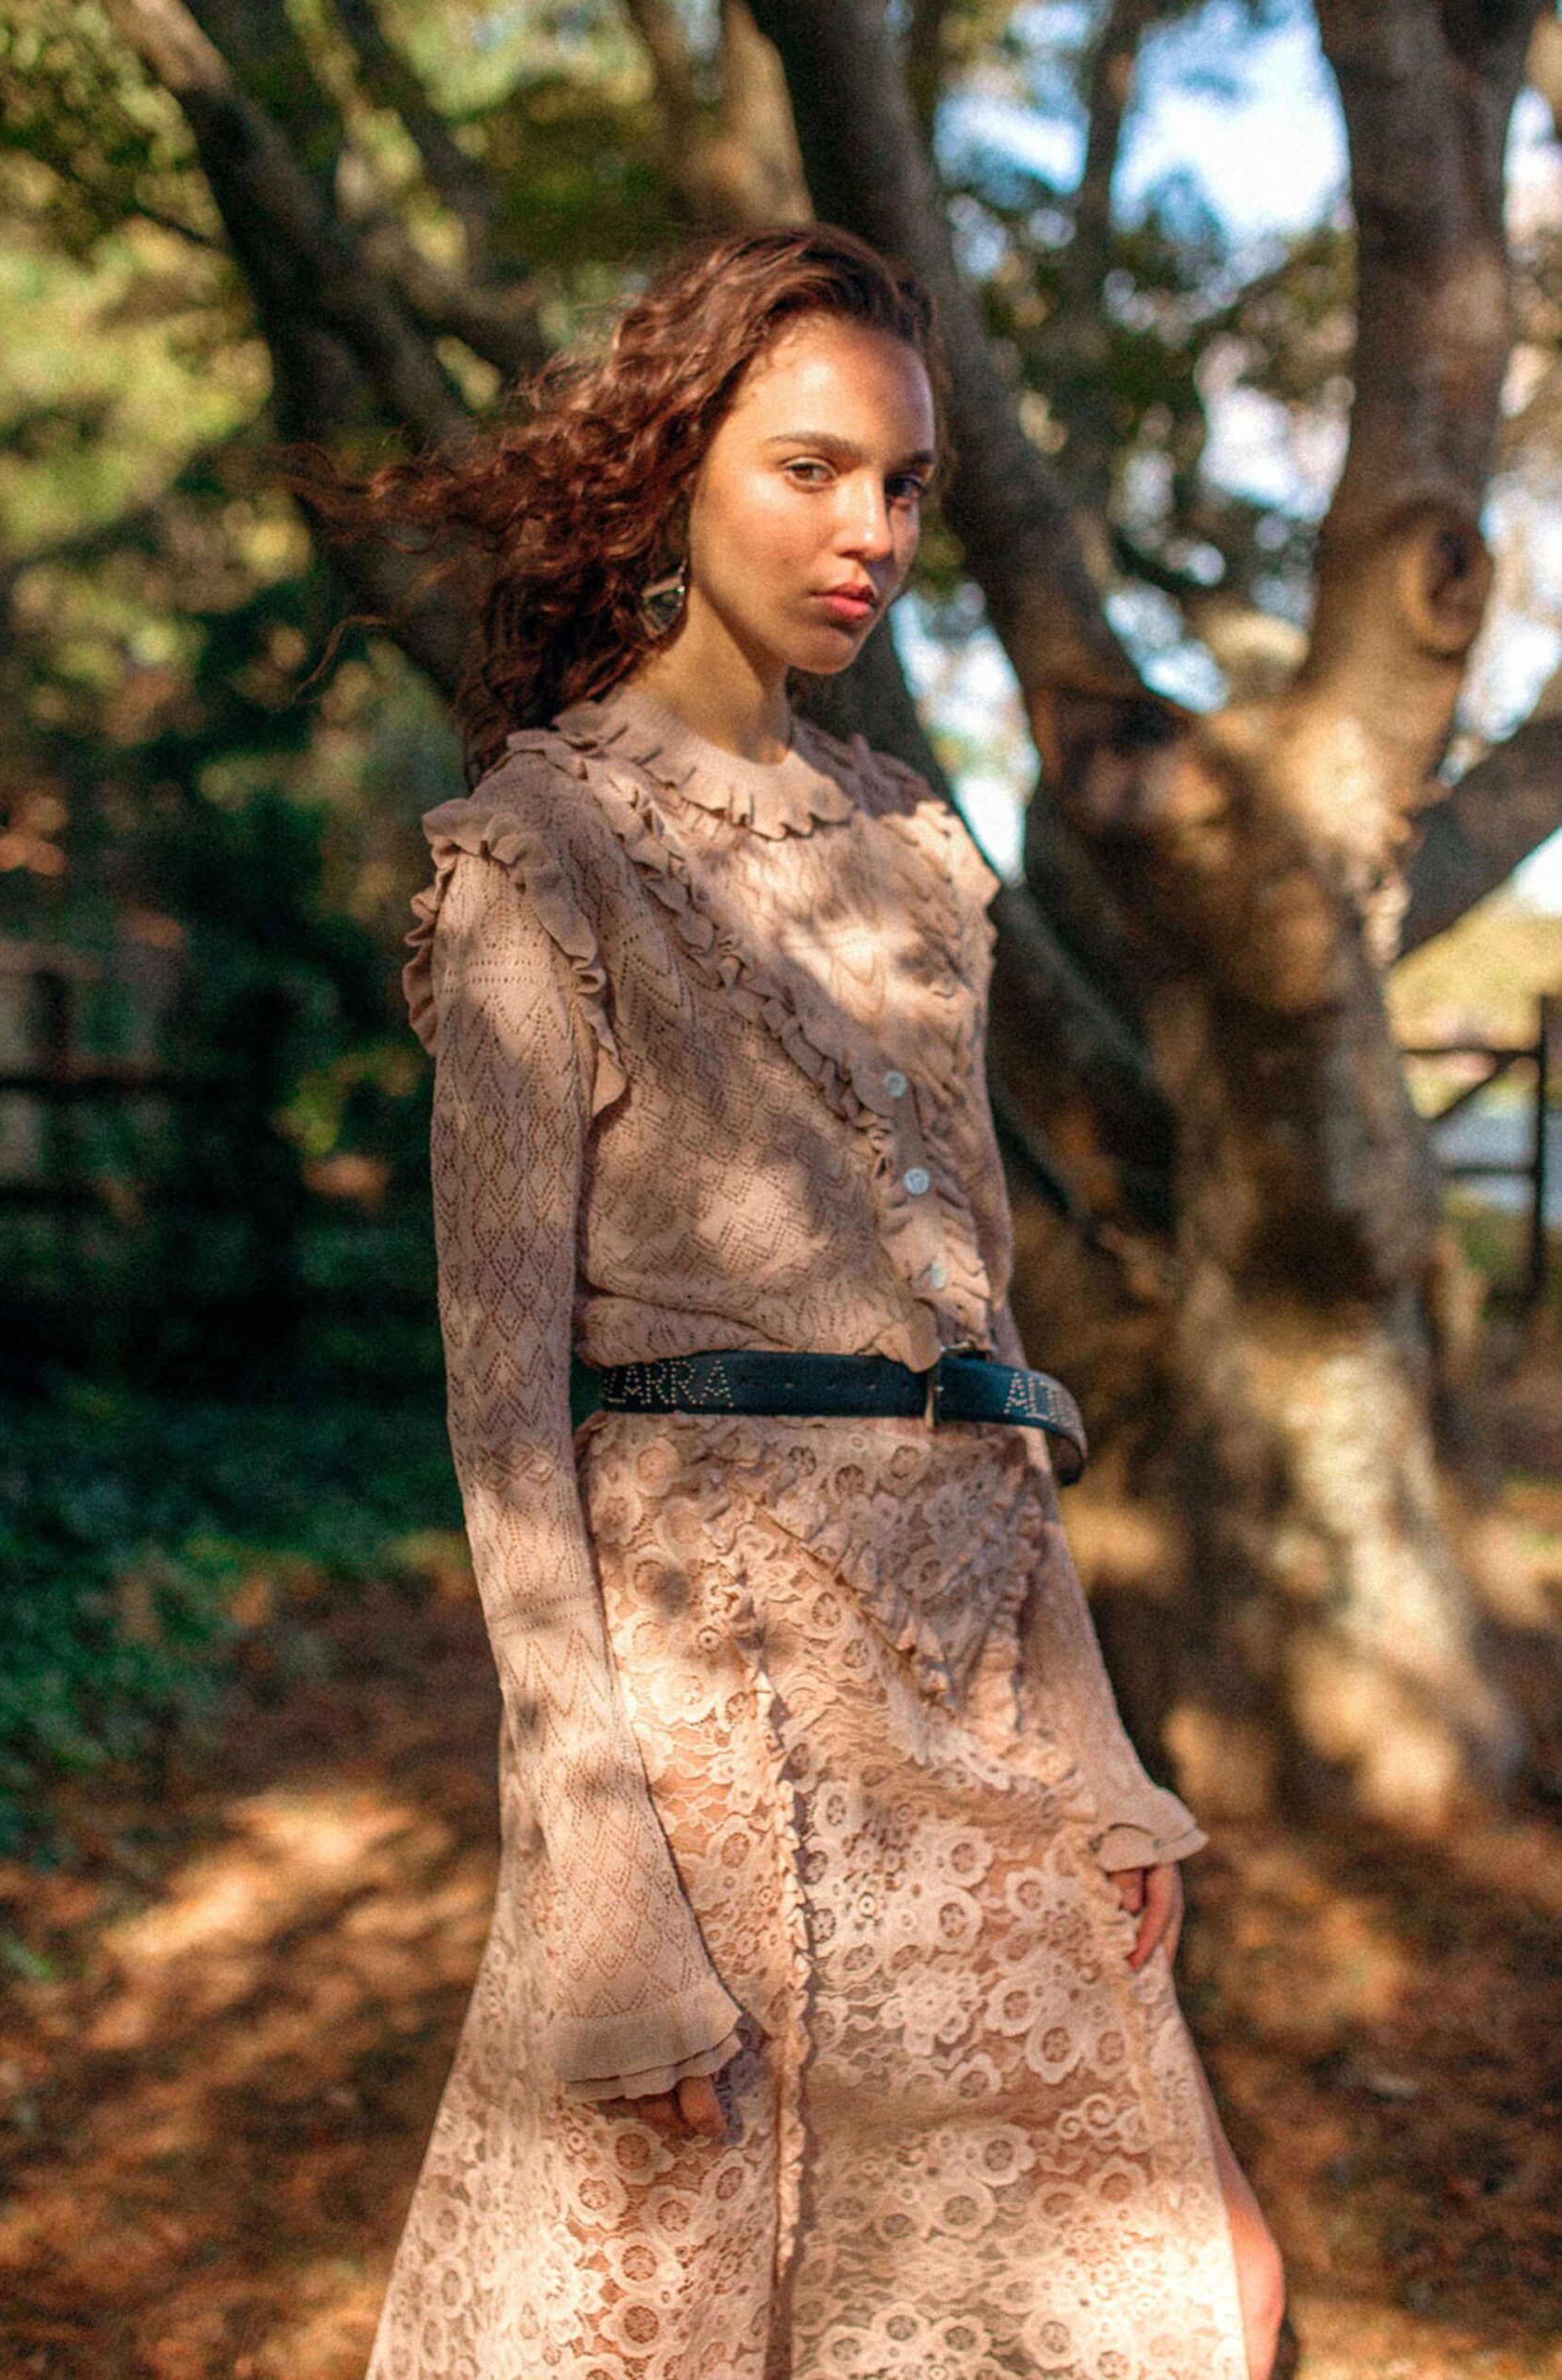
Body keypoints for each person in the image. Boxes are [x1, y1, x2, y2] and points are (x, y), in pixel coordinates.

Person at [320, 224, 1285, 2379]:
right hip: (711, 1722)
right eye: (810, 468)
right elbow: (503, 1422)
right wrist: (596, 1872)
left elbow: (984, 1353)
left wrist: (1101, 1747)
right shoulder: (541, 858)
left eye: (906, 483)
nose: (871, 531)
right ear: (675, 466)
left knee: (1157, 2298)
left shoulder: (918, 853)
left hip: (980, 1692)